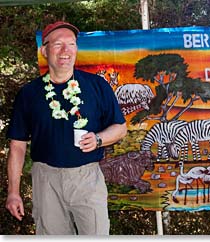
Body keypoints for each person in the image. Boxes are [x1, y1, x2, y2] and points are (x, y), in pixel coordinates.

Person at [5, 21, 127, 235]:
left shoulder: (97, 86)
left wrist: (98, 139)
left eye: (71, 44)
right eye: (58, 44)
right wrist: (13, 192)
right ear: (44, 50)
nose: (65, 50)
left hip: (87, 178)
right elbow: (17, 146)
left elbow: (120, 128)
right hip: (46, 180)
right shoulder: (29, 94)